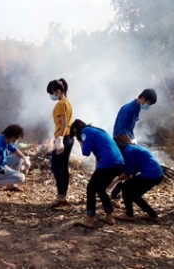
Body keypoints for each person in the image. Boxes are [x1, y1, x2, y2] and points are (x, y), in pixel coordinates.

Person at [70, 119, 125, 228]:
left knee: (90, 188)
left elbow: (85, 152)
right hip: (118, 163)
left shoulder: (85, 132)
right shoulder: (97, 131)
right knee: (100, 189)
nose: (77, 138)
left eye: (76, 135)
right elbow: (100, 153)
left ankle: (90, 219)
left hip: (109, 163)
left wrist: (80, 141)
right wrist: (97, 171)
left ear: (77, 130)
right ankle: (110, 217)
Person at [111, 88, 157, 198]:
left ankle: (118, 190)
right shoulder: (128, 109)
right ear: (142, 98)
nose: (147, 106)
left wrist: (133, 141)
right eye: (148, 103)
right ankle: (115, 190)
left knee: (129, 169)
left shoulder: (136, 109)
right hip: (120, 142)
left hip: (127, 142)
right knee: (127, 168)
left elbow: (130, 129)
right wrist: (131, 145)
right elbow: (121, 130)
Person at [109, 143, 164, 221]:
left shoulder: (128, 152)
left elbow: (127, 172)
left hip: (150, 174)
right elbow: (133, 169)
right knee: (134, 195)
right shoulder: (131, 148)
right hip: (157, 174)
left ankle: (129, 215)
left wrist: (113, 182)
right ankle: (152, 215)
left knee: (126, 188)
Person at [47, 78, 74, 208]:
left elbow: (63, 123)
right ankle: (62, 196)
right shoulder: (67, 102)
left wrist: (59, 140)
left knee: (56, 167)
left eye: (51, 93)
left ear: (57, 91)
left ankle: (61, 197)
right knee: (63, 167)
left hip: (63, 138)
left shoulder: (60, 104)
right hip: (68, 138)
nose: (51, 96)